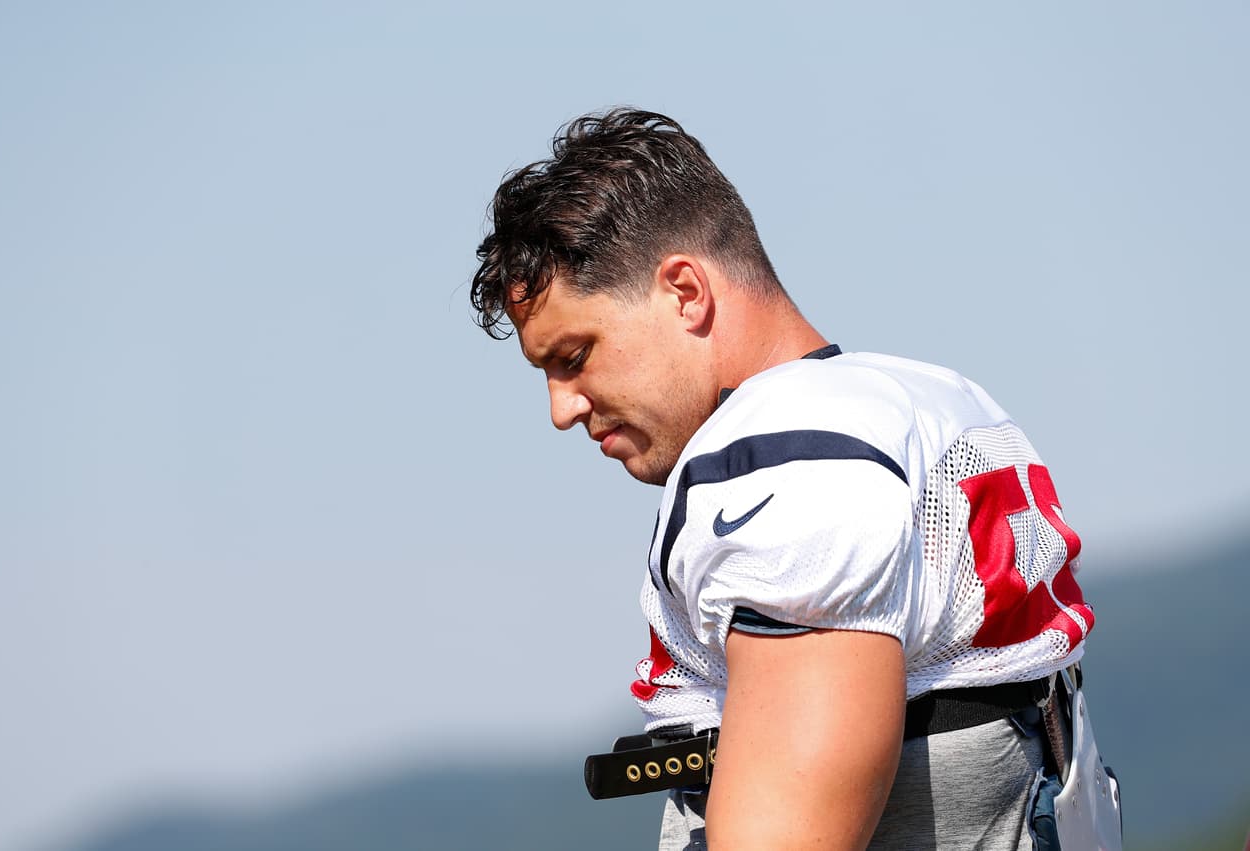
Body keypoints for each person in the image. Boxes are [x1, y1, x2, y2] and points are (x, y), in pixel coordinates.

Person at [469, 109, 1100, 850]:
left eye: (574, 355)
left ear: (684, 292)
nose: (562, 408)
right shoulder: (935, 397)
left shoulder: (786, 465)